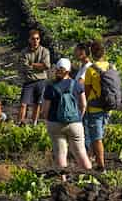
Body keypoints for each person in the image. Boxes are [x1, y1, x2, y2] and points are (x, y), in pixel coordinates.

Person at [42, 58, 92, 175]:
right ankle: (91, 178)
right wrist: (78, 117)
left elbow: (45, 110)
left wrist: (47, 120)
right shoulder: (77, 85)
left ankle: (63, 183)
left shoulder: (50, 87)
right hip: (75, 123)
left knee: (60, 153)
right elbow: (83, 104)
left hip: (55, 123)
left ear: (56, 69)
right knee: (81, 152)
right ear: (69, 71)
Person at [82, 40, 112, 171]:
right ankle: (95, 158)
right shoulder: (111, 67)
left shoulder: (91, 70)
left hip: (95, 107)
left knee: (96, 138)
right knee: (100, 134)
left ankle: (101, 166)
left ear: (92, 54)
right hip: (108, 105)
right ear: (104, 53)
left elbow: (86, 91)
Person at [17, 29, 51, 126]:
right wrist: (39, 66)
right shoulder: (24, 52)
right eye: (33, 39)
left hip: (41, 81)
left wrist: (32, 65)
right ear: (29, 40)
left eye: (37, 38)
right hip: (29, 81)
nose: (35, 41)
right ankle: (20, 123)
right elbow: (24, 67)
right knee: (23, 103)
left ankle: (34, 123)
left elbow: (47, 65)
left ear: (39, 39)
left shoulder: (45, 51)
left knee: (37, 103)